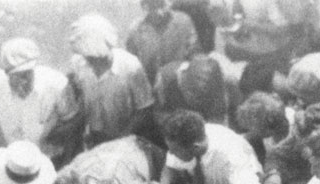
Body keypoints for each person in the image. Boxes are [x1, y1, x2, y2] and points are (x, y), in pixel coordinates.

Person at [155, 109, 266, 184]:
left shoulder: (232, 155)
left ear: (195, 147)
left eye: (174, 151)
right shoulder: (191, 136)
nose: (171, 154)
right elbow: (170, 166)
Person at [0, 37, 78, 160]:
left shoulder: (57, 84)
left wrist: (58, 144)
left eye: (27, 74)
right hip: (8, 161)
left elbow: (72, 120)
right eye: (16, 76)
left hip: (47, 158)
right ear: (6, 73)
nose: (23, 81)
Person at [68, 14, 156, 147]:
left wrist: (122, 139)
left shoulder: (130, 66)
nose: (90, 61)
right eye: (88, 57)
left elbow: (144, 109)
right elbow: (79, 100)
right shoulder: (78, 64)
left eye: (94, 57)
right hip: (95, 137)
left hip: (126, 138)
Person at [153, 54, 236, 126]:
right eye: (191, 92)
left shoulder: (218, 84)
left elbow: (219, 121)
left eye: (200, 97)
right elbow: (158, 112)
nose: (202, 84)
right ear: (185, 76)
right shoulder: (165, 78)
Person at [126, 0, 199, 82]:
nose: (159, 11)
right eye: (153, 5)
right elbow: (132, 67)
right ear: (144, 6)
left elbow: (195, 55)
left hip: (178, 86)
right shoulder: (136, 30)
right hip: (150, 88)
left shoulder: (183, 22)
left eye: (161, 3)